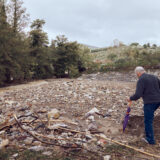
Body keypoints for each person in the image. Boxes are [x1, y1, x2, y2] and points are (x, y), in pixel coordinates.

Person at [129, 66, 160, 144]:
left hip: (150, 102)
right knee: (150, 118)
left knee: (148, 121)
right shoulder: (154, 77)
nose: (137, 76)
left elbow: (138, 94)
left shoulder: (141, 79)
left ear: (138, 73)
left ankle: (150, 140)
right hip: (158, 101)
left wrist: (131, 98)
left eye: (136, 74)